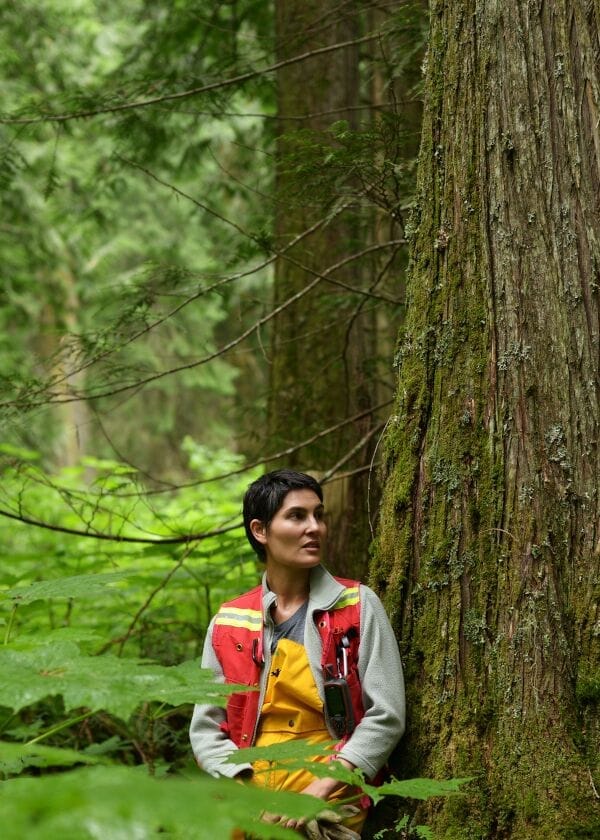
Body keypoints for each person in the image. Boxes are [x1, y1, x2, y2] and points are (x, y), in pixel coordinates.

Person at [189, 469, 405, 837]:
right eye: (297, 516)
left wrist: (320, 789)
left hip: (333, 796)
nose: (314, 527)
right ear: (260, 530)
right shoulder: (230, 622)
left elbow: (387, 715)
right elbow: (207, 729)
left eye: (319, 515)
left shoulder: (357, 606)